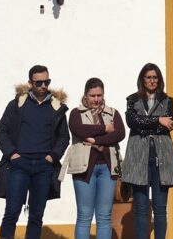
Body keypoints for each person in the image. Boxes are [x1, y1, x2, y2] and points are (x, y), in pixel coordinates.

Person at [0, 65, 70, 239]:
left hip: (44, 167)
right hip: (19, 165)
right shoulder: (16, 105)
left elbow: (63, 137)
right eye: (39, 83)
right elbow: (1, 131)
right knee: (11, 213)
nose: (44, 86)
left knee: (36, 217)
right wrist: (12, 154)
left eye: (47, 82)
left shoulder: (56, 106)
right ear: (30, 83)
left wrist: (52, 157)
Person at [123, 63, 173, 239]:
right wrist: (158, 120)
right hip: (138, 158)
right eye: (148, 77)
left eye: (155, 77)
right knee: (141, 208)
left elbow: (169, 126)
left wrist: (147, 124)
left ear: (159, 80)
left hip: (161, 158)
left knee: (160, 208)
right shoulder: (132, 99)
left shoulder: (167, 100)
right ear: (143, 79)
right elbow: (132, 122)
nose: (152, 81)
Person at [61, 77, 126, 239]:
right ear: (85, 95)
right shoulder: (76, 113)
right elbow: (78, 129)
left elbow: (119, 133)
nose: (96, 99)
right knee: (84, 215)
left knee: (104, 216)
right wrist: (105, 129)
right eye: (92, 96)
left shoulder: (112, 113)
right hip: (83, 169)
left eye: (99, 95)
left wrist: (96, 140)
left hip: (107, 169)